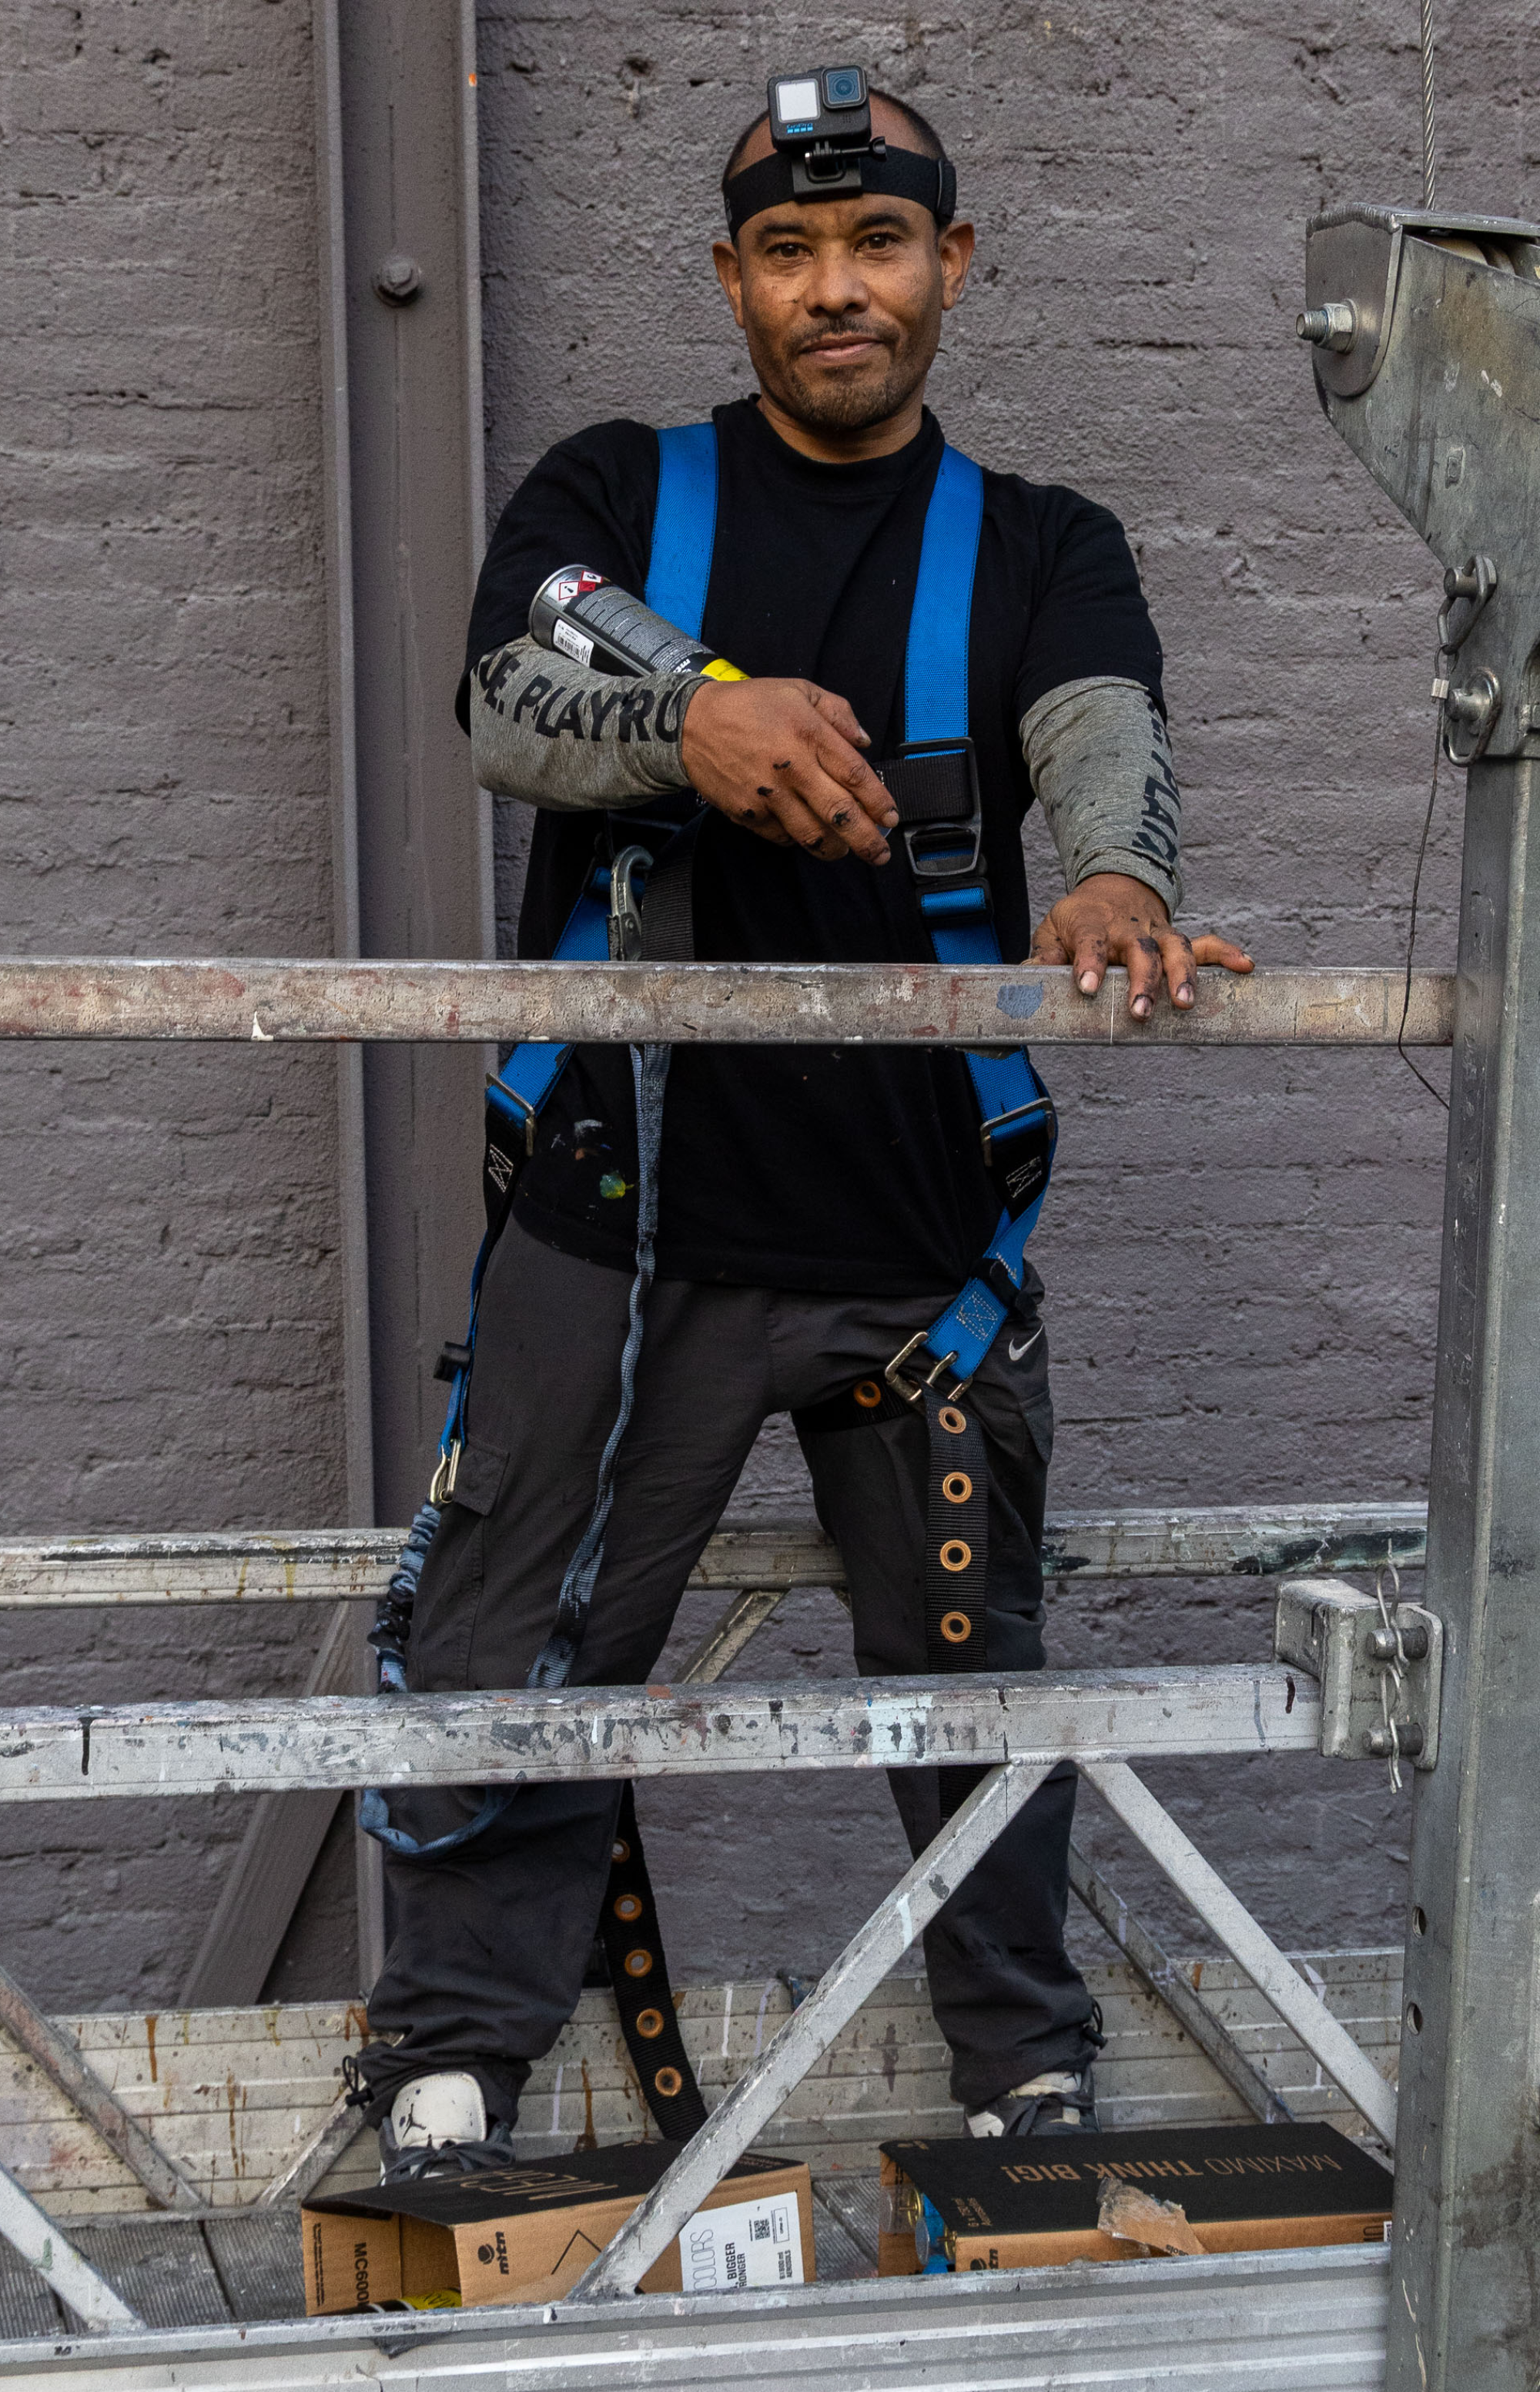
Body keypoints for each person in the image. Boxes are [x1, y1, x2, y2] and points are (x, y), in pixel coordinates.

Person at [350, 78, 1251, 2180]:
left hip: (919, 1251)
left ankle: (1020, 2068)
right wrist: (694, 720)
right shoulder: (608, 500)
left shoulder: (1044, 546)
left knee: (969, 1678)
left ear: (952, 265)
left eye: (878, 249)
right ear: (734, 279)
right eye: (789, 253)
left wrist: (1117, 882)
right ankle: (449, 2068)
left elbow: (1104, 737)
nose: (835, 290)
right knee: (518, 1645)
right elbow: (497, 702)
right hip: (614, 1227)